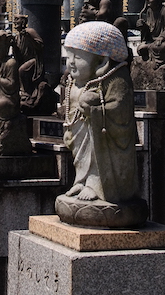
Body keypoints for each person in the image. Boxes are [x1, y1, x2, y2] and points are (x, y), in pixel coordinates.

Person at [55, 21, 147, 227]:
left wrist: (95, 109)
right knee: (81, 153)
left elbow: (120, 113)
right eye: (68, 56)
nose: (70, 62)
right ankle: (82, 180)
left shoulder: (116, 79)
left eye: (77, 57)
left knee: (97, 151)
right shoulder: (75, 81)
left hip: (107, 140)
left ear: (101, 61)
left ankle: (97, 186)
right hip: (82, 130)